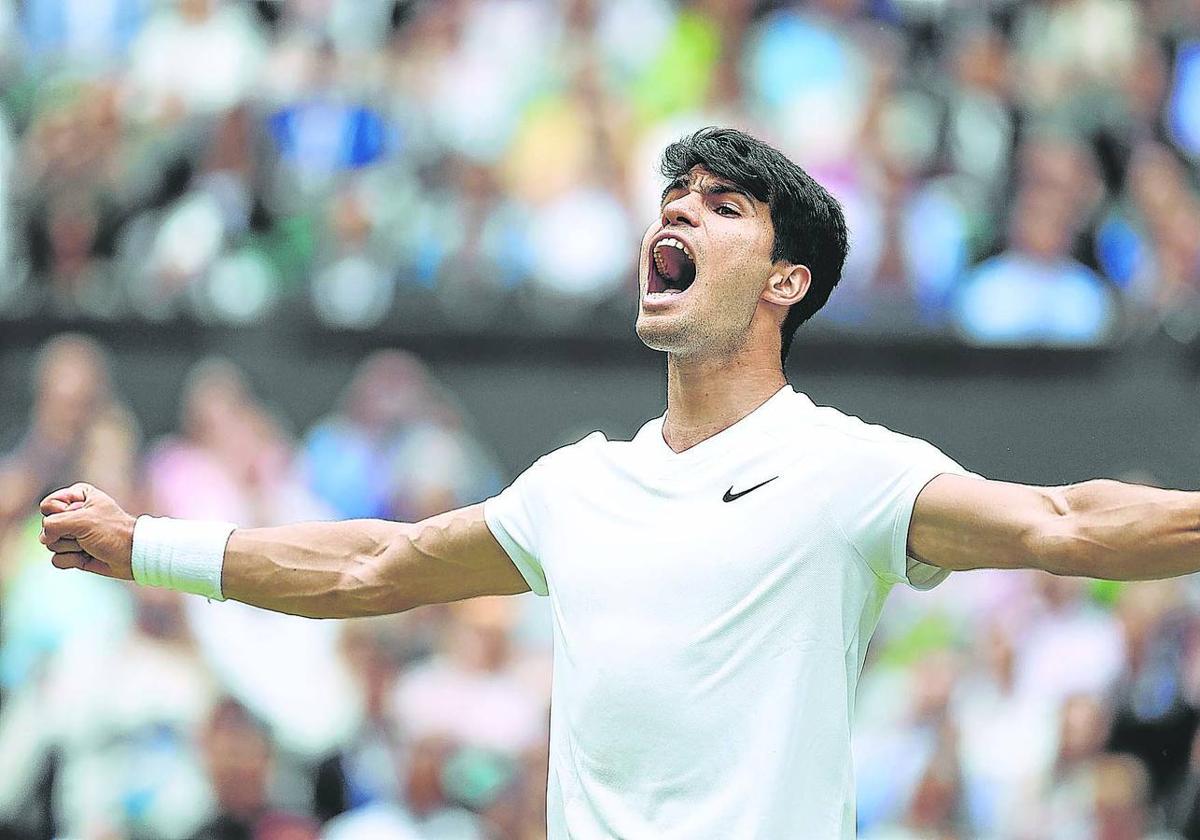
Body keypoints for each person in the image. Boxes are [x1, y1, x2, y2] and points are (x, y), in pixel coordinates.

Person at [36, 127, 1200, 839]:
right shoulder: (573, 489)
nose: (677, 212)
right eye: (672, 198)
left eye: (721, 205)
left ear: (787, 282)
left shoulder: (850, 470)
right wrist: (147, 546)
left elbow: (1063, 522)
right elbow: (371, 564)